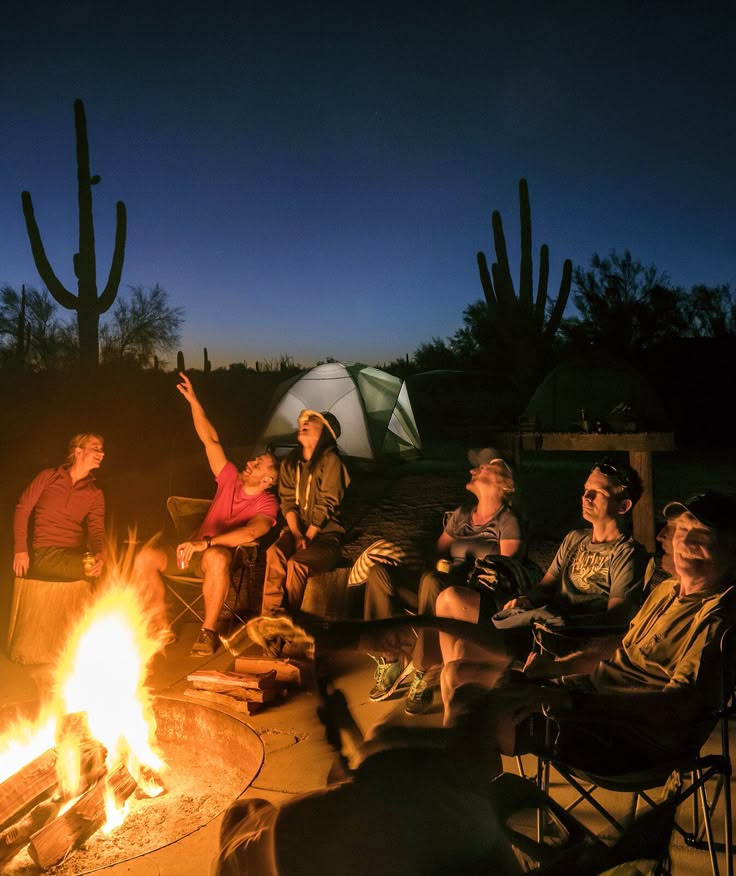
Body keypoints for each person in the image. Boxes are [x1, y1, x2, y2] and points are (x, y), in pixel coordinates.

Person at [442, 490, 736, 778]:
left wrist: (568, 701)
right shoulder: (668, 589)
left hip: (632, 739)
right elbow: (621, 644)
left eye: (702, 534)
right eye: (682, 528)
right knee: (462, 681)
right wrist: (560, 667)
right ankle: (479, 792)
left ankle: (471, 804)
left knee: (479, 717)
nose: (683, 540)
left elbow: (677, 706)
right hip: (590, 699)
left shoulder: (718, 618)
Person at [436, 458, 650, 674]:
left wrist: (560, 622)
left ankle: (472, 687)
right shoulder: (575, 539)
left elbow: (617, 617)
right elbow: (546, 586)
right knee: (450, 599)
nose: (586, 497)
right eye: (586, 490)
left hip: (565, 640)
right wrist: (527, 601)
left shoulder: (627, 553)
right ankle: (460, 687)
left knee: (460, 655)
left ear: (623, 506)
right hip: (537, 627)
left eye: (598, 493)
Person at [368, 449, 525, 716]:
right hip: (440, 583)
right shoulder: (462, 515)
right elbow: (438, 552)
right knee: (378, 574)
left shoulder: (507, 523)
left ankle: (423, 670)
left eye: (485, 469)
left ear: (503, 483)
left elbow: (506, 572)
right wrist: (439, 564)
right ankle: (390, 657)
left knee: (431, 581)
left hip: (469, 595)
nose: (476, 470)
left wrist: (463, 570)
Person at [135, 373, 279, 656]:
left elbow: (252, 533)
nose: (249, 462)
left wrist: (207, 543)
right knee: (144, 558)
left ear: (267, 481)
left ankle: (208, 630)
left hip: (221, 556)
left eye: (258, 464)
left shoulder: (267, 503)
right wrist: (193, 401)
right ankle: (162, 628)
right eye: (253, 460)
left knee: (214, 557)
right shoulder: (229, 478)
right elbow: (210, 440)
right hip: (191, 550)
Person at [260, 410, 350, 617]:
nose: (305, 423)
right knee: (274, 553)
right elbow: (288, 501)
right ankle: (270, 619)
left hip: (326, 538)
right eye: (304, 421)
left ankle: (290, 622)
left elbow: (327, 502)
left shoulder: (331, 462)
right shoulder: (291, 463)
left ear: (325, 432)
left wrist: (308, 536)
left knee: (297, 564)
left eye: (312, 421)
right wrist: (297, 534)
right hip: (296, 531)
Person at [13, 433, 106, 581]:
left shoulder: (95, 493)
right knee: (99, 574)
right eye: (96, 448)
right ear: (78, 452)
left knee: (109, 568)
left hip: (76, 553)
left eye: (102, 449)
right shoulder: (48, 477)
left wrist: (100, 555)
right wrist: (20, 550)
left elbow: (96, 529)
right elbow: (22, 509)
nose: (101, 453)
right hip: (47, 553)